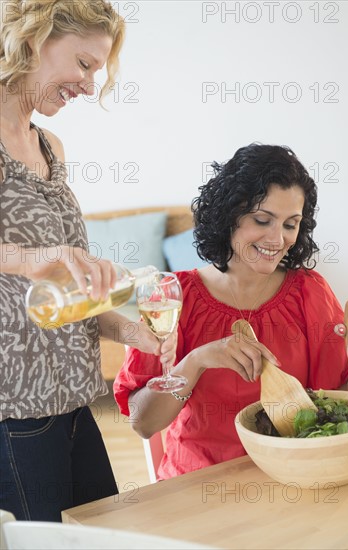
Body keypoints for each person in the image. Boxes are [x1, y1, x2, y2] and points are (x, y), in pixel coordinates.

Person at [0, 0, 175, 521]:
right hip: (16, 406)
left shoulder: (48, 145)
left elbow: (64, 292)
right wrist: (38, 255)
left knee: (103, 533)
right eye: (82, 64)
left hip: (75, 398)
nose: (89, 84)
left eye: (96, 70)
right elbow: (38, 262)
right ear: (33, 40)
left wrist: (130, 333)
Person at [114, 143, 348, 480]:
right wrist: (197, 361)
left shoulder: (310, 291)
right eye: (263, 220)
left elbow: (338, 408)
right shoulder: (173, 297)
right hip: (199, 483)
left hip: (291, 477)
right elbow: (143, 423)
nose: (277, 239)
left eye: (290, 224)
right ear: (230, 214)